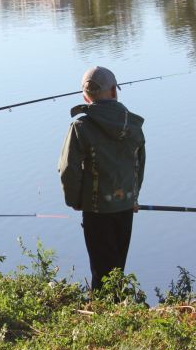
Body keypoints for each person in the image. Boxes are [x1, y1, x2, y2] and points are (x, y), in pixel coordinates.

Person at [58, 66, 145, 291]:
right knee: (117, 267)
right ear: (114, 91)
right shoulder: (134, 125)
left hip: (96, 209)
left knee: (101, 271)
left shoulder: (80, 126)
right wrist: (133, 197)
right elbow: (139, 165)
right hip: (125, 205)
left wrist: (75, 201)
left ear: (86, 96)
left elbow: (68, 169)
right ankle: (118, 312)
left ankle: (104, 315)